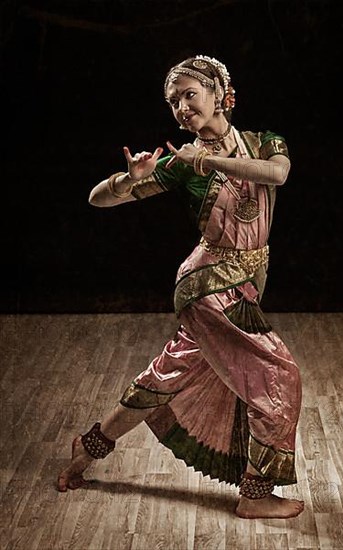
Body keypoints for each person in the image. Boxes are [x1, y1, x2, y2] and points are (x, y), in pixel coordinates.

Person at [57, 55, 304, 519]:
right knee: (279, 377)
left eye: (190, 94)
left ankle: (87, 449)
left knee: (169, 375)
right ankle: (256, 496)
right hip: (210, 286)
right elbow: (97, 199)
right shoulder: (179, 164)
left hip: (240, 285)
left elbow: (277, 174)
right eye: (173, 101)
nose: (182, 107)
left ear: (218, 92)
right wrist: (127, 182)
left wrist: (207, 160)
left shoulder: (262, 142)